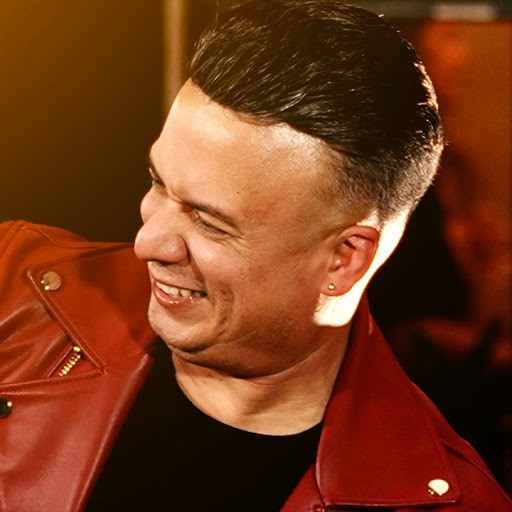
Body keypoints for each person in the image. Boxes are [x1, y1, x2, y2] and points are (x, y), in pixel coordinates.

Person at [0, 1, 510, 511]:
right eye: (158, 183)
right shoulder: (11, 285)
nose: (147, 243)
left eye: (209, 222)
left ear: (344, 259)